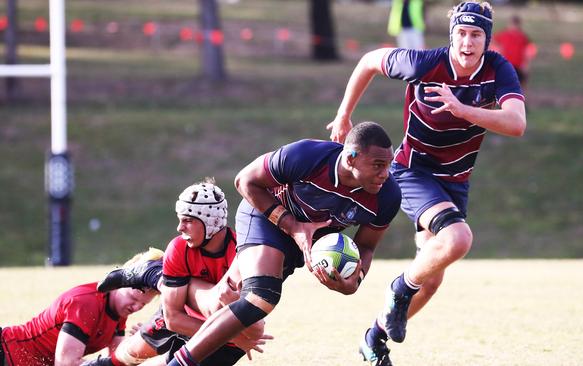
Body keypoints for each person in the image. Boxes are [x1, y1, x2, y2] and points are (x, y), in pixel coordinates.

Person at [327, 2, 526, 365]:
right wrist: (343, 114)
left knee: (432, 278)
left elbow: (516, 123)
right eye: (461, 34)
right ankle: (399, 289)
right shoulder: (424, 64)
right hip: (413, 171)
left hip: (456, 182)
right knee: (459, 239)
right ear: (452, 36)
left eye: (476, 35)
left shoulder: (498, 69)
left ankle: (373, 337)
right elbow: (370, 61)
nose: (467, 43)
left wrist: (462, 109)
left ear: (487, 39)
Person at [163, 121, 402, 366]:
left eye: (389, 164)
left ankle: (174, 349)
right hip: (267, 218)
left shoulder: (388, 196)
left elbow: (367, 247)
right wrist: (294, 226)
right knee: (260, 296)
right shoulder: (307, 156)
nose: (385, 173)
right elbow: (245, 181)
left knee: (237, 318)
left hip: (303, 243)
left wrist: (355, 280)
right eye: (378, 165)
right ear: (350, 159)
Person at [89, 179, 270, 366]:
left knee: (223, 307)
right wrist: (229, 336)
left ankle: (151, 272)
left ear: (213, 221)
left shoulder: (243, 251)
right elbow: (173, 319)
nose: (179, 227)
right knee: (125, 357)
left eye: (188, 220)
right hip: (184, 313)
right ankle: (151, 273)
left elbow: (255, 327)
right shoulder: (179, 247)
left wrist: (229, 335)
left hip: (219, 325)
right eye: (180, 219)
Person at [0, 252, 159, 366]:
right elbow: (65, 364)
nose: (136, 307)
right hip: (5, 353)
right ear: (122, 281)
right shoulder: (87, 303)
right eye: (134, 299)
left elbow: (117, 360)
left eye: (143, 304)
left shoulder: (118, 311)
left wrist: (139, 342)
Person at [493, 14, 532, 89]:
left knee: (519, 86)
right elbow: (494, 43)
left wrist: (526, 64)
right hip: (506, 65)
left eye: (515, 24)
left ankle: (520, 99)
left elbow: (526, 51)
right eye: (512, 24)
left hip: (518, 66)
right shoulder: (503, 34)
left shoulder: (522, 37)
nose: (513, 26)